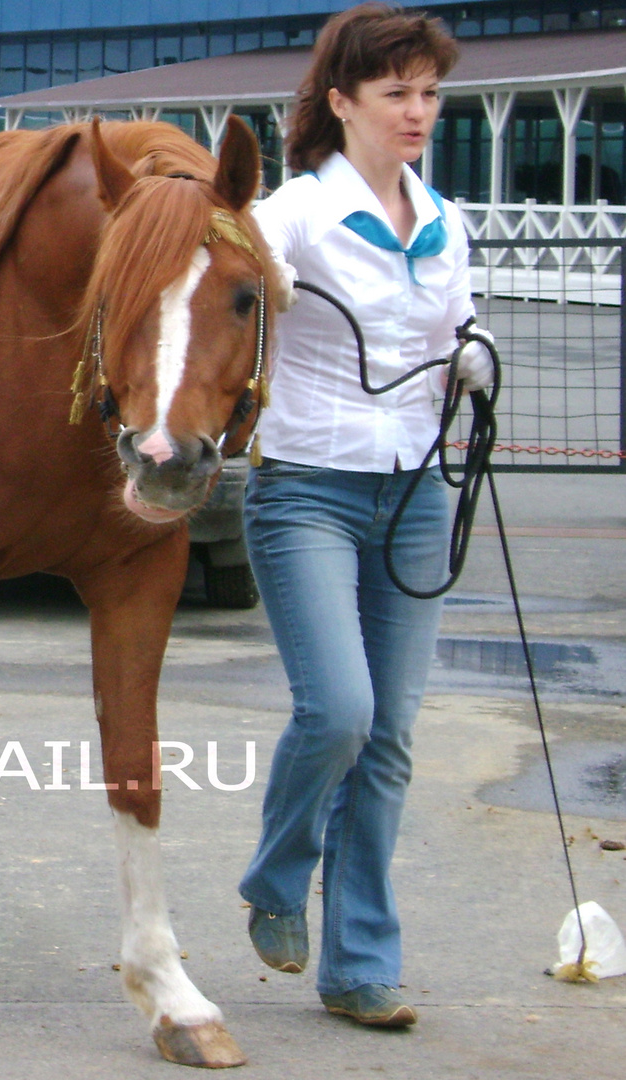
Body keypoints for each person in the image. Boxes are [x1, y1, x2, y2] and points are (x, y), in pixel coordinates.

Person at [238, 3, 493, 1030]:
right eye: (396, 94)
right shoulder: (290, 214)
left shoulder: (445, 217)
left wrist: (474, 353)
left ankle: (360, 964)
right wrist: (261, 286)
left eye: (429, 92)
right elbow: (209, 292)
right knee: (337, 712)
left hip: (415, 489)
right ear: (342, 103)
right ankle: (274, 875)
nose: (417, 111)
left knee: (388, 739)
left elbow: (459, 317)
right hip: (305, 485)